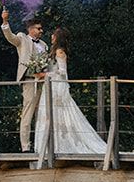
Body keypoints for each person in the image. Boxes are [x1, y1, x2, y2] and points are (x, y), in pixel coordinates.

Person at [31, 27, 108, 159]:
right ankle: (49, 145)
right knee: (49, 114)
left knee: (59, 114)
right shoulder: (52, 51)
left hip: (56, 86)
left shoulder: (60, 52)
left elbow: (62, 71)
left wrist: (45, 74)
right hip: (50, 85)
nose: (51, 37)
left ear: (57, 37)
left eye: (54, 35)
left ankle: (59, 145)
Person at [0, 9, 47, 151]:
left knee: (42, 114)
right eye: (39, 29)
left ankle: (41, 146)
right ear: (31, 29)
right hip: (29, 81)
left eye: (41, 28)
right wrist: (5, 21)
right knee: (27, 114)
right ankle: (25, 147)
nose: (41, 31)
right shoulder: (22, 38)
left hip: (43, 83)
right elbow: (10, 37)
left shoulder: (44, 44)